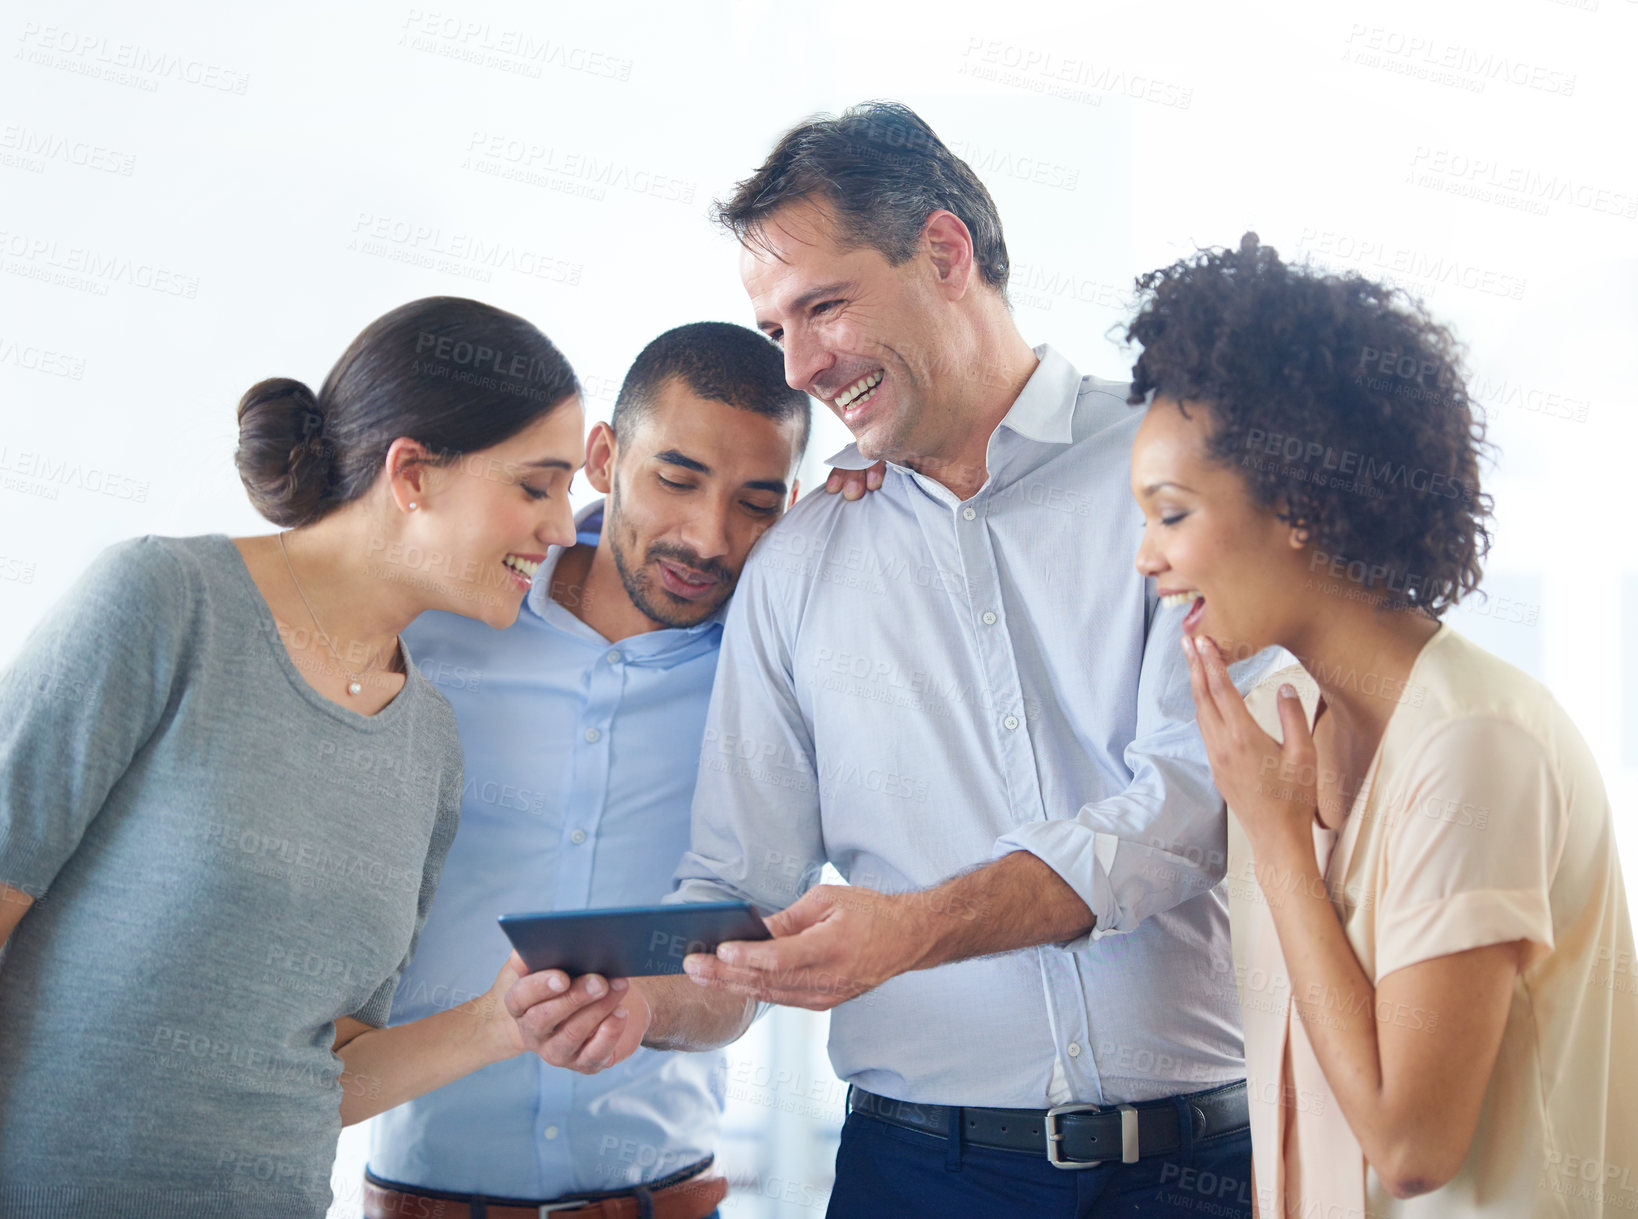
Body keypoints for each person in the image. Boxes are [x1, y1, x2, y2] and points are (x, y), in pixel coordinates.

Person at [506, 102, 1283, 1218]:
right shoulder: (799, 561)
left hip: (1203, 1167)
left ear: (946, 252)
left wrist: (916, 929)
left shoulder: (1172, 468)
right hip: (916, 1178)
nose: (801, 365)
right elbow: (739, 890)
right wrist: (647, 1000)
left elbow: (1198, 799)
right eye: (777, 327)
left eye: (823, 307)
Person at [0, 297, 588, 1218]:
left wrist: (493, 1024)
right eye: (535, 486)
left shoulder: (429, 743)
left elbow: (324, 1072)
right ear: (413, 474)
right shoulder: (164, 602)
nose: (560, 528)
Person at [1125, 233, 1638, 1216]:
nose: (1146, 557)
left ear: (1300, 504)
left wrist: (1278, 845)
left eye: (1172, 513)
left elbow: (1411, 1143)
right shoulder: (1293, 726)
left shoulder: (1474, 745)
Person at [361, 322, 811, 1219]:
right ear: (603, 456)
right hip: (422, 1196)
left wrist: (649, 1003)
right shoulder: (433, 631)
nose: (708, 538)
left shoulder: (775, 681)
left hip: (668, 1199)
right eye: (676, 479)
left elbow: (756, 965)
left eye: (756, 503)